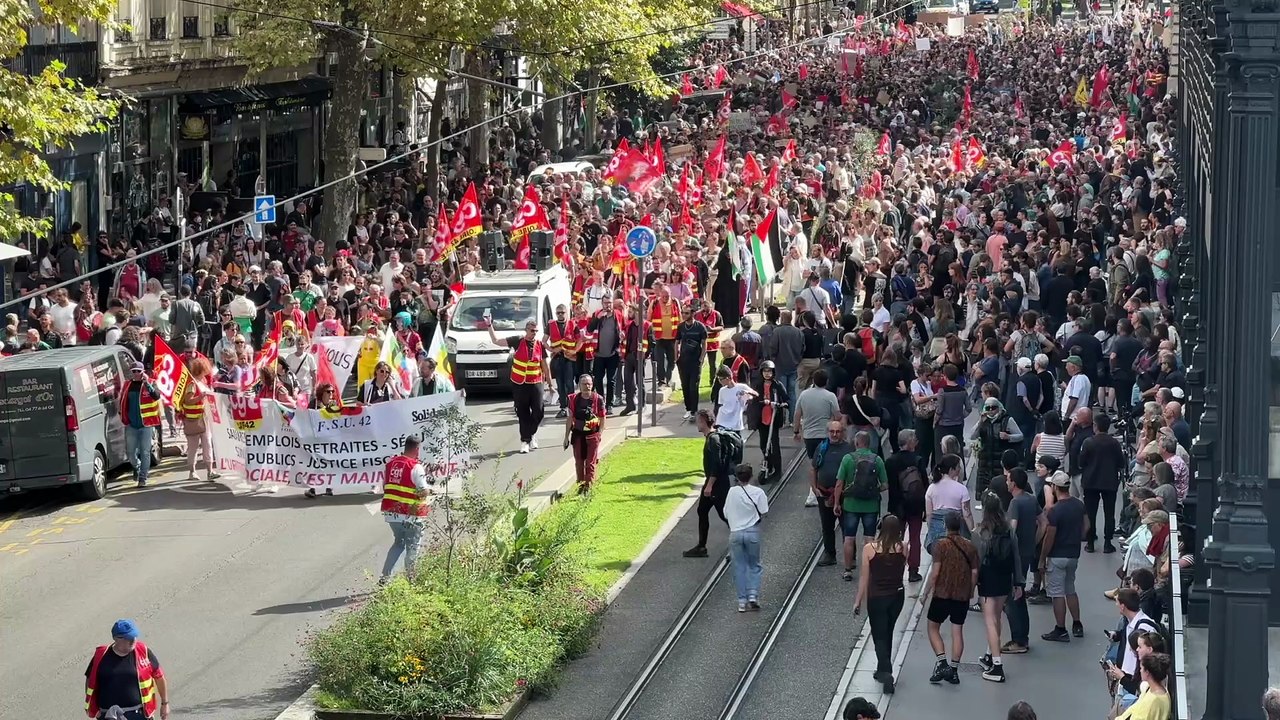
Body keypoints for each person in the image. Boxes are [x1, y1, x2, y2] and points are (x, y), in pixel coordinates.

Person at [974, 492, 1024, 683]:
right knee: (997, 617)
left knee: (989, 621)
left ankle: (997, 665)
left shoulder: (981, 533)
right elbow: (1016, 556)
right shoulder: (1008, 530)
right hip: (1005, 578)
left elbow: (976, 561)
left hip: (987, 579)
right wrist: (1018, 582)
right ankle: (989, 654)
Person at [854, 513, 907, 694]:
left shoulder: (870, 549)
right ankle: (881, 667)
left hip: (877, 598)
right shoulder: (903, 547)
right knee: (889, 631)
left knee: (878, 636)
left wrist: (858, 601)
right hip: (897, 596)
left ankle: (886, 672)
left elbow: (864, 578)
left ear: (880, 528)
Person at [926, 510, 979, 685]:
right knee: (957, 631)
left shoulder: (939, 545)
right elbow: (974, 572)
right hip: (961, 595)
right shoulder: (970, 546)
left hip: (942, 593)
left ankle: (942, 662)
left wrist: (926, 593)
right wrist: (970, 591)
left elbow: (935, 573)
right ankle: (954, 670)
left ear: (945, 526)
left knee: (933, 627)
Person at [487, 318, 555, 453]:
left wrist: (550, 384)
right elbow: (496, 341)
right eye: (531, 330)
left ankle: (531, 434)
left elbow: (545, 366)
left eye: (536, 331)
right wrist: (489, 325)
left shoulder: (540, 345)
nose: (534, 333)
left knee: (539, 411)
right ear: (526, 330)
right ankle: (525, 441)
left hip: (536, 382)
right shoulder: (517, 340)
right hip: (520, 383)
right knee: (522, 412)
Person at [84, 619, 170, 720]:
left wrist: (165, 704)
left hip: (139, 715)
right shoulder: (100, 656)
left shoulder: (143, 651)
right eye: (129, 638)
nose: (133, 640)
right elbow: (90, 681)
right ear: (116, 638)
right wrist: (96, 710)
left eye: (134, 636)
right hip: (109, 715)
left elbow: (159, 677)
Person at [684, 410, 742, 558]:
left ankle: (740, 544)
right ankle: (701, 546)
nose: (697, 423)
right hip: (713, 482)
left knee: (725, 515)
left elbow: (718, 464)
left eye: (698, 421)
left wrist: (710, 485)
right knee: (702, 510)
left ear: (704, 421)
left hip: (717, 484)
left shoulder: (713, 440)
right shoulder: (711, 437)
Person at [1039, 471, 1087, 641]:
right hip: (1073, 554)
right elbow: (1086, 527)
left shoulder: (1055, 511)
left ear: (1055, 487)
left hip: (1057, 555)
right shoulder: (1079, 505)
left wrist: (1042, 557)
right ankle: (1077, 623)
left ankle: (1060, 628)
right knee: (1070, 589)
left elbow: (1049, 537)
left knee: (1057, 593)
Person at [834, 430, 887, 580]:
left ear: (856, 443)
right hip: (870, 506)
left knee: (849, 538)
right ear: (869, 443)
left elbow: (839, 484)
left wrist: (837, 503)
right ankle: (869, 569)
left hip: (851, 504)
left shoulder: (847, 459)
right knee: (869, 539)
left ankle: (848, 570)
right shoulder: (877, 460)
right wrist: (873, 491)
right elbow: (885, 485)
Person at [379, 434, 431, 584]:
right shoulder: (415, 466)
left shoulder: (390, 464)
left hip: (392, 514)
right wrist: (429, 491)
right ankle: (411, 581)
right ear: (417, 449)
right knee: (413, 547)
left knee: (399, 543)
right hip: (411, 515)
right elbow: (422, 491)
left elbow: (385, 487)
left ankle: (385, 578)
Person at [1003, 468, 1041, 654]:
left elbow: (1011, 530)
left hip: (1015, 556)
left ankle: (1018, 639)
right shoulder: (1031, 499)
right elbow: (1043, 522)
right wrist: (1034, 540)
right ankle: (1022, 637)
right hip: (1028, 552)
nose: (1006, 482)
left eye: (1008, 479)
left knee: (1013, 597)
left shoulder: (1015, 503)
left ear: (1014, 483)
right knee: (1020, 594)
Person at [725, 462, 768, 612]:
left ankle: (741, 602)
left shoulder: (731, 492)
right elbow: (763, 510)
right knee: (754, 565)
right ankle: (753, 596)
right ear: (751, 476)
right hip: (752, 532)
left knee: (739, 567)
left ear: (736, 477)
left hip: (735, 532)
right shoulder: (758, 492)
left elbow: (726, 512)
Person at [886, 429, 928, 582]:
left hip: (897, 506)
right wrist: (925, 507)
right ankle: (913, 571)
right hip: (915, 506)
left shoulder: (890, 461)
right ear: (910, 443)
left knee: (896, 538)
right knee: (915, 538)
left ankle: (895, 570)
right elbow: (924, 484)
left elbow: (890, 486)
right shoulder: (917, 460)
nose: (916, 441)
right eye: (915, 439)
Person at [1080, 413, 1125, 553]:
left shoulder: (1088, 442)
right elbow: (1121, 463)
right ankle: (1107, 542)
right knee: (1109, 513)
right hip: (1109, 481)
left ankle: (1090, 542)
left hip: (1091, 481)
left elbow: (1081, 462)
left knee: (1090, 513)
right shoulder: (1114, 443)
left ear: (1095, 426)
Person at [812, 419, 854, 568]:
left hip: (844, 494)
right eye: (832, 431)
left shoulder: (849, 448)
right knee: (827, 525)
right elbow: (813, 468)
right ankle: (830, 554)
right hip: (824, 492)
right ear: (827, 432)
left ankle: (850, 557)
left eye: (838, 431)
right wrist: (814, 487)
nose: (835, 434)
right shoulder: (822, 447)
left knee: (846, 526)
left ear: (842, 432)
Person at [117, 362, 161, 487]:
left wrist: (147, 383)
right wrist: (122, 415)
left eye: (138, 371)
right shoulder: (127, 384)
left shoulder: (151, 382)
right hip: (131, 424)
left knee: (145, 451)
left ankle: (143, 477)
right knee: (130, 453)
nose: (136, 374)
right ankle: (136, 467)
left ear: (143, 372)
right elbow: (122, 401)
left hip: (146, 424)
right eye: (134, 371)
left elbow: (156, 396)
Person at [563, 374, 606, 493]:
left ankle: (589, 487)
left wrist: (599, 434)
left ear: (592, 385)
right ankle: (580, 486)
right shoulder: (573, 399)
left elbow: (602, 418)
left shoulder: (598, 399)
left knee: (590, 462)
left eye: (589, 384)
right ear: (579, 386)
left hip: (593, 435)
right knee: (579, 462)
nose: (587, 386)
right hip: (577, 435)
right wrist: (566, 437)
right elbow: (570, 418)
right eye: (584, 384)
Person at [178, 356, 218, 483]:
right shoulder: (192, 384)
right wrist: (200, 397)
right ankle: (192, 471)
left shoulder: (203, 382)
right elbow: (187, 401)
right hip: (193, 421)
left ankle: (210, 471)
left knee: (208, 445)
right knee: (193, 448)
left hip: (204, 419)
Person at [924, 453, 974, 553]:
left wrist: (931, 530)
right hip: (956, 531)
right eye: (958, 467)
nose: (960, 469)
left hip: (937, 532)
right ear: (951, 469)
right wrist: (972, 532)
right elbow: (967, 514)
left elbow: (929, 514)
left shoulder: (931, 488)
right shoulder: (961, 489)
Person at [750, 360, 790, 480]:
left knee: (775, 445)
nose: (767, 374)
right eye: (765, 371)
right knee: (763, 444)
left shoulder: (777, 385)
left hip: (773, 419)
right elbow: (754, 400)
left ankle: (777, 470)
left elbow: (787, 400)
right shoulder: (758, 385)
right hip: (762, 420)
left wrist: (780, 404)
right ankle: (768, 463)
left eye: (770, 371)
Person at [674, 305, 708, 421]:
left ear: (693, 314)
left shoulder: (700, 327)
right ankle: (688, 409)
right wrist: (676, 357)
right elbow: (677, 342)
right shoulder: (681, 327)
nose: (684, 315)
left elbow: (704, 343)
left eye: (687, 313)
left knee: (693, 386)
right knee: (685, 385)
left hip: (695, 361)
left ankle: (694, 410)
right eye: (683, 313)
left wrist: (702, 358)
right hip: (683, 361)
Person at [1114, 653, 1172, 720]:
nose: (1140, 670)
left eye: (1141, 668)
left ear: (1147, 672)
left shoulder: (1151, 702)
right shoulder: (1154, 689)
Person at [712, 363, 758, 432]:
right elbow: (720, 405)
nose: (719, 381)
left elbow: (756, 394)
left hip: (735, 422)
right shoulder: (722, 390)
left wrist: (747, 393)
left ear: (729, 378)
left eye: (721, 379)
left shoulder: (741, 387)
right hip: (722, 421)